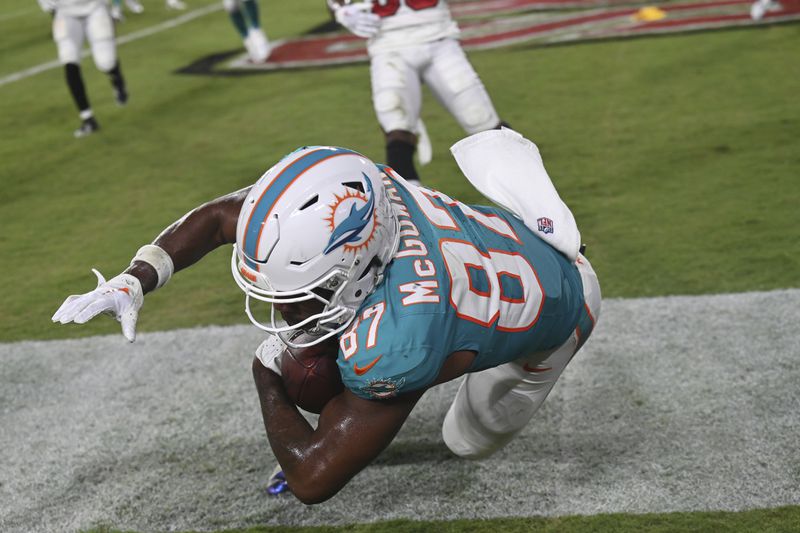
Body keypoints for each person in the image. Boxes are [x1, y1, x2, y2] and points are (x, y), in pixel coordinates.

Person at [52, 129, 601, 504]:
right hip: (499, 246)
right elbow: (223, 218)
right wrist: (136, 277)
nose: (278, 306)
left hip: (561, 310)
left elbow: (313, 479)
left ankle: (507, 374)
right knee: (319, 365)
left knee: (466, 439)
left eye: (304, 289)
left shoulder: (402, 335)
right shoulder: (361, 190)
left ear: (356, 268)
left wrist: (265, 376)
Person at [327, 0, 509, 184]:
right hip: (387, 43)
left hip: (438, 36)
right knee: (397, 126)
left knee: (481, 119)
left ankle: (532, 193)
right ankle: (408, 210)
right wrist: (342, 11)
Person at [39, 0, 130, 137]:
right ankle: (88, 119)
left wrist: (114, 10)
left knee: (105, 62)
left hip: (95, 8)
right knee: (69, 60)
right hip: (65, 13)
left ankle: (116, 77)